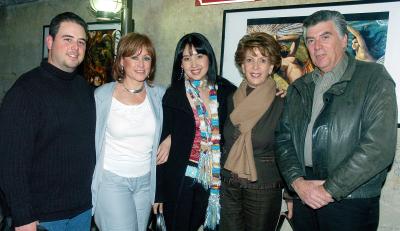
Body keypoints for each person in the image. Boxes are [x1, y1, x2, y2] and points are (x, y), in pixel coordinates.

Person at [275, 10, 397, 231]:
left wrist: (329, 189)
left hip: (350, 198)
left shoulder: (374, 77)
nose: (317, 46)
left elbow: (379, 147)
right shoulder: (299, 87)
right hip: (304, 193)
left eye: (325, 36)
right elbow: (283, 139)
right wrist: (297, 183)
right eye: (310, 40)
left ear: (344, 40)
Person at [0, 12, 95, 231]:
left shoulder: (84, 89)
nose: (75, 47)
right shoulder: (25, 91)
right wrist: (23, 217)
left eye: (81, 42)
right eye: (67, 39)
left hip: (82, 211)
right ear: (50, 42)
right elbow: (11, 163)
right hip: (42, 218)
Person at [153, 32, 236, 231]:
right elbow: (160, 152)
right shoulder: (173, 95)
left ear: (209, 57)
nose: (194, 63)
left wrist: (275, 93)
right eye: (187, 58)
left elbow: (249, 110)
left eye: (199, 55)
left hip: (216, 179)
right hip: (181, 178)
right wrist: (159, 194)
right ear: (180, 63)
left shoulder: (227, 91)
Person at [91, 32, 168, 231]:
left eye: (146, 58)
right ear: (122, 62)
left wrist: (170, 139)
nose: (141, 64)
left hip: (146, 183)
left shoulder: (159, 95)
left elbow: (186, 121)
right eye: (134, 57)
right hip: (112, 181)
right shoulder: (102, 96)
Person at [219, 32, 285, 231]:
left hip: (263, 187)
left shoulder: (283, 102)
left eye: (262, 60)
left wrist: (292, 193)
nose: (255, 67)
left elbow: (291, 149)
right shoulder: (229, 98)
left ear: (271, 66)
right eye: (250, 60)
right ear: (242, 65)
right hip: (228, 183)